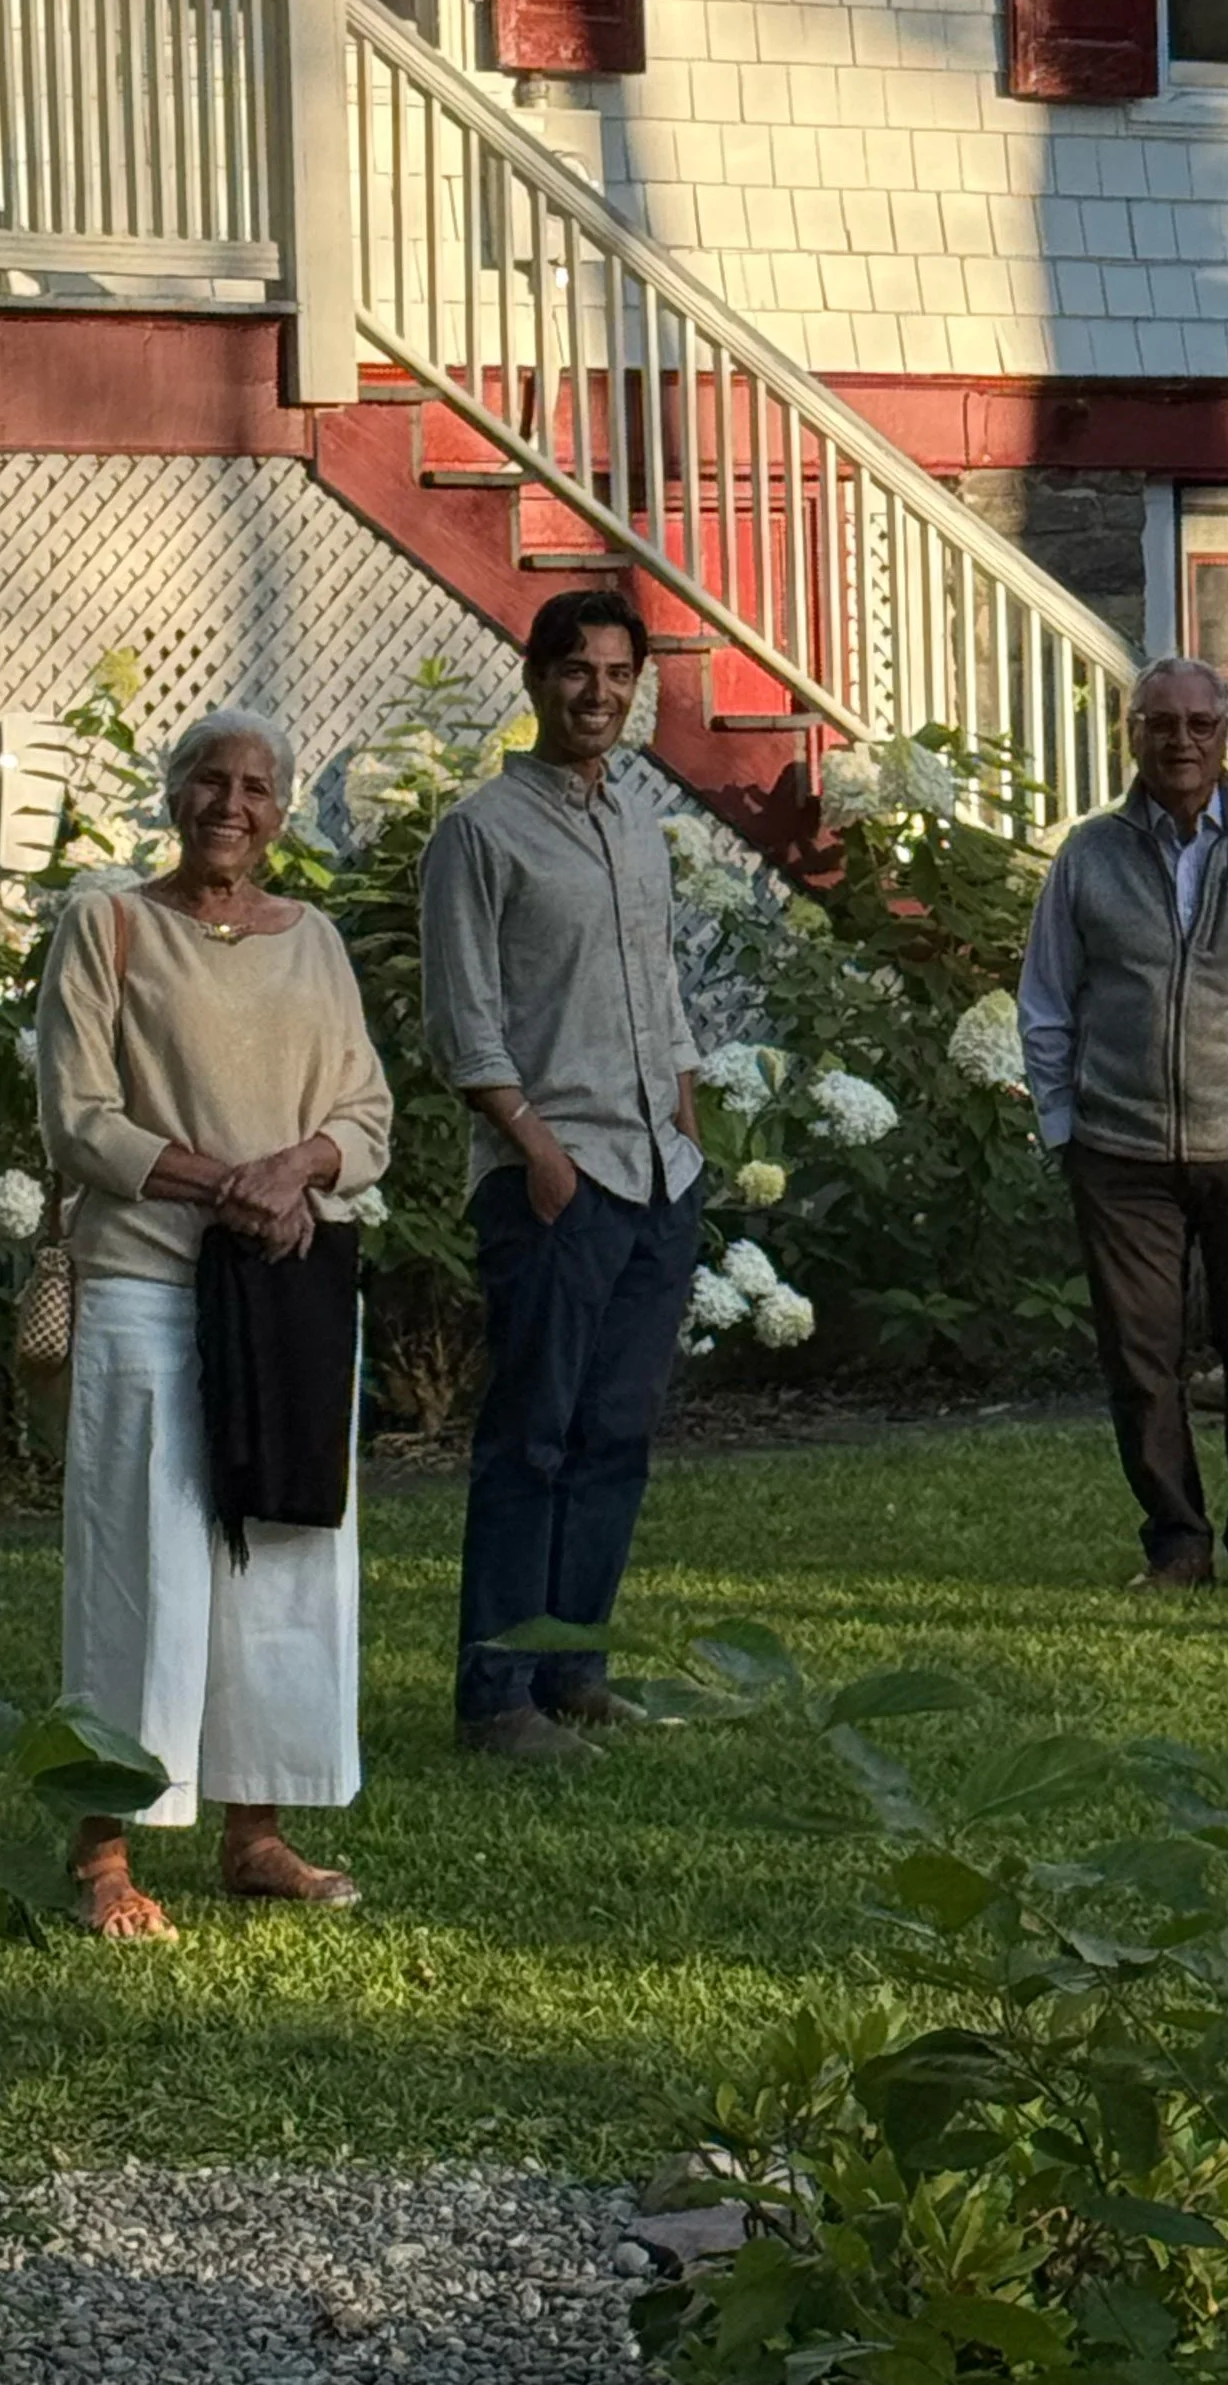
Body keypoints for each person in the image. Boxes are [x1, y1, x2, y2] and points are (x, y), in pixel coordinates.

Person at [36, 709, 394, 1939]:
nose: (231, 804)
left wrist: (294, 1169)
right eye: (210, 781)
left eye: (256, 788)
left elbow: (369, 1113)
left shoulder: (319, 943)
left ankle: (256, 1832)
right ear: (174, 794)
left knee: (289, 1554)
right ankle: (103, 1850)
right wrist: (228, 1186)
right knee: (146, 1556)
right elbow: (80, 1120)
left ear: (281, 813)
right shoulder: (111, 924)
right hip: (149, 1277)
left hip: (290, 1281)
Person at [420, 587, 705, 1762]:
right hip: (557, 1177)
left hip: (655, 1173)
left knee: (616, 1433)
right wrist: (535, 1150)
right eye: (578, 671)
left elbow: (665, 993)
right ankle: (497, 1700)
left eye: (618, 674)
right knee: (530, 1437)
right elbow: (461, 1022)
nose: (599, 693)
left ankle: (573, 1665)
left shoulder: (636, 817)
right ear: (535, 679)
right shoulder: (480, 832)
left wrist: (687, 1129)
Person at [1017, 656, 1228, 1595]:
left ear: (1225, 734)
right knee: (1139, 1356)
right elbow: (1047, 1000)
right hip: (1121, 1150)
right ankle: (1176, 1542)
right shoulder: (1087, 855)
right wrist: (1064, 1126)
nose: (1181, 742)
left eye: (1200, 725)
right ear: (1134, 734)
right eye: (1162, 724)